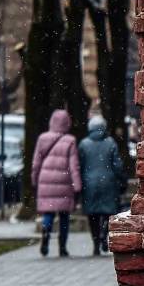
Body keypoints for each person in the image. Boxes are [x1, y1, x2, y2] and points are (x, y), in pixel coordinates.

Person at [32, 109, 81, 257]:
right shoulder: (70, 140)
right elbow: (74, 166)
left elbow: (36, 162)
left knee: (48, 213)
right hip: (64, 182)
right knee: (64, 216)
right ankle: (62, 247)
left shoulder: (42, 138)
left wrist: (34, 179)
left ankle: (46, 234)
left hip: (45, 181)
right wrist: (77, 185)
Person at [78, 115, 125, 256]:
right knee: (107, 214)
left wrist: (80, 183)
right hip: (108, 183)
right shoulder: (111, 143)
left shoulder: (84, 144)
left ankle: (96, 243)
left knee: (92, 216)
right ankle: (104, 235)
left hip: (89, 184)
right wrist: (121, 179)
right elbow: (117, 165)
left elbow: (80, 165)